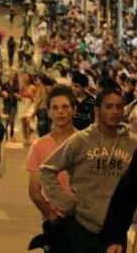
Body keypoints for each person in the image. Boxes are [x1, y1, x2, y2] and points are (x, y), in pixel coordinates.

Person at [39, 88, 137, 252]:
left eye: (119, 107)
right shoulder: (81, 140)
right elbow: (47, 169)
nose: (114, 112)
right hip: (83, 228)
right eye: (109, 107)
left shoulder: (133, 143)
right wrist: (66, 204)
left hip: (117, 231)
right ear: (97, 110)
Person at [25, 86, 76, 251]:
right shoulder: (39, 146)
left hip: (84, 221)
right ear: (48, 112)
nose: (60, 112)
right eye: (55, 108)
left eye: (65, 107)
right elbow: (34, 191)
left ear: (74, 110)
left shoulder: (85, 142)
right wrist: (52, 217)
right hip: (54, 221)